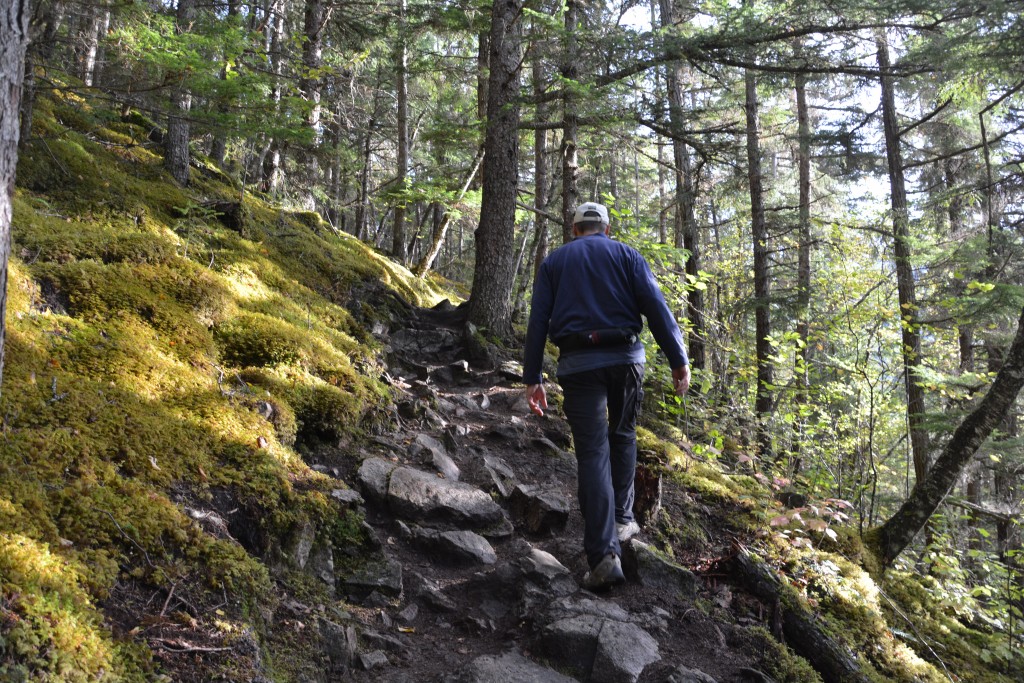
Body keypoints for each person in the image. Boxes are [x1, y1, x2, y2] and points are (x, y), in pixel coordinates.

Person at [523, 201, 690, 591]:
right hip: (627, 359)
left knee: (593, 452)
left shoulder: (554, 263)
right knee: (623, 434)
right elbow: (656, 306)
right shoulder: (628, 255)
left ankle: (603, 556)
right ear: (607, 229)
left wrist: (533, 376)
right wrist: (678, 358)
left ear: (575, 228)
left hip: (579, 364)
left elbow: (538, 319)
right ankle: (622, 518)